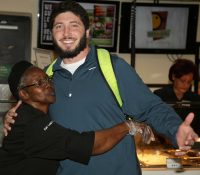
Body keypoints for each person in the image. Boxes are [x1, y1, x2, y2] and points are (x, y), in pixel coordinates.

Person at [3, 1, 198, 175]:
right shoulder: (46, 77)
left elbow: (151, 107)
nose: (66, 33)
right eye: (59, 27)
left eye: (74, 26)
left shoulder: (113, 68)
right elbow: (29, 117)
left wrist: (175, 128)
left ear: (87, 32)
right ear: (52, 34)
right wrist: (12, 117)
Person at [0, 60, 148, 175]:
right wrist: (128, 126)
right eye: (39, 83)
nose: (48, 85)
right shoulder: (32, 124)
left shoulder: (32, 115)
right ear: (24, 94)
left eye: (48, 79)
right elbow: (92, 145)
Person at [154, 58, 200, 135]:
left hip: (189, 141)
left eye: (189, 82)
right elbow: (155, 122)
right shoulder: (159, 95)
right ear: (173, 77)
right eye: (182, 81)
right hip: (164, 140)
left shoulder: (196, 99)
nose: (186, 85)